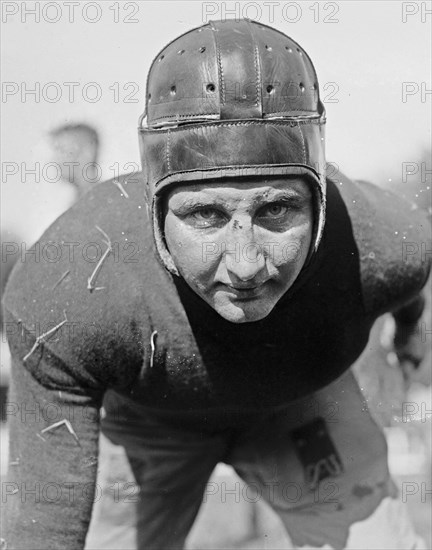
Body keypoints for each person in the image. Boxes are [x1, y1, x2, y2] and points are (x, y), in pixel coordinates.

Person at [2, 19, 430, 550]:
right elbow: (41, 527)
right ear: (155, 212)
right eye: (205, 214)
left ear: (320, 206)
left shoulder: (387, 245)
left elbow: (410, 286)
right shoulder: (67, 294)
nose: (246, 265)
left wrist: (411, 335)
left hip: (301, 406)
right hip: (150, 425)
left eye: (277, 209)